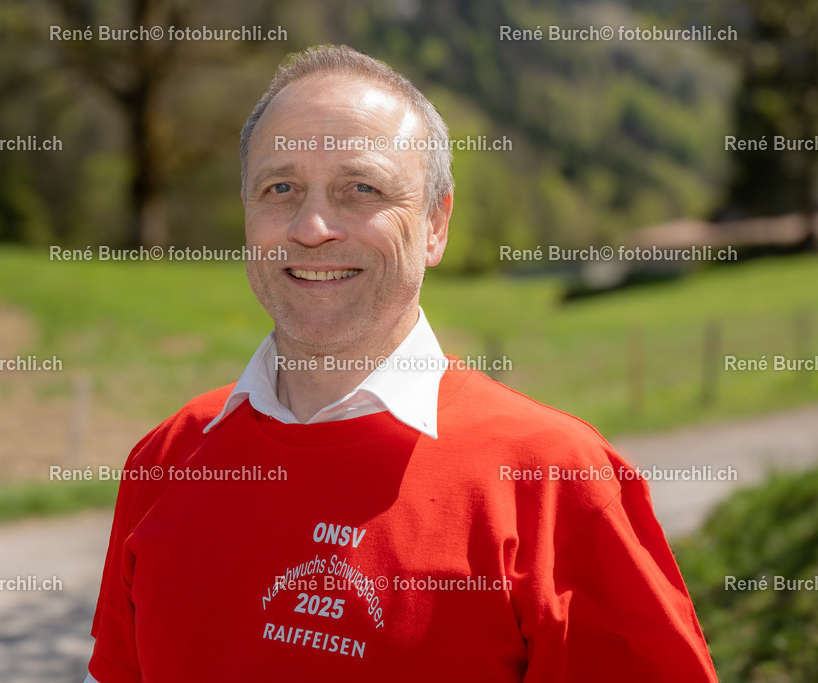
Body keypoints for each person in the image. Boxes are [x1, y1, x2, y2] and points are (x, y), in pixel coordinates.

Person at [85, 44, 718, 682]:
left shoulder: (558, 481)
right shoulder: (167, 461)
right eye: (280, 188)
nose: (312, 226)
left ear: (435, 223)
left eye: (360, 188)